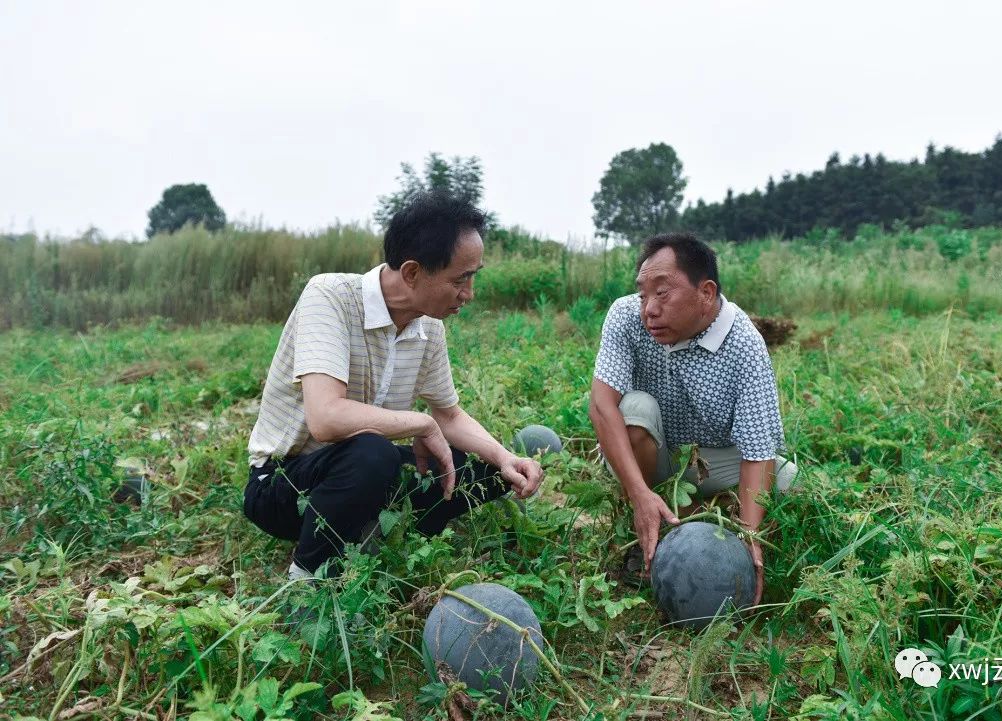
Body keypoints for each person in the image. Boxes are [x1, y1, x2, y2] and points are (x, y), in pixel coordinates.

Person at [244, 192, 544, 580]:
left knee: (484, 470)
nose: (469, 293)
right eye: (461, 279)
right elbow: (326, 418)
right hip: (285, 483)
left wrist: (504, 458)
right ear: (413, 272)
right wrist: (419, 424)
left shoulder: (428, 327)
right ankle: (308, 580)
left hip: (363, 476)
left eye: (473, 276)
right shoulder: (330, 296)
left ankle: (377, 532)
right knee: (373, 453)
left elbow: (448, 414)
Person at [588, 233, 796, 604]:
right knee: (634, 411)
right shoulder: (625, 317)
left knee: (789, 482)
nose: (648, 308)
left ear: (706, 293)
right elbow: (603, 406)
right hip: (655, 453)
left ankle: (688, 516)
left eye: (662, 293)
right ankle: (648, 519)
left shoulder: (744, 344)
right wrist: (638, 495)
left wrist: (749, 536)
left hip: (715, 459)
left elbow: (757, 449)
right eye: (643, 294)